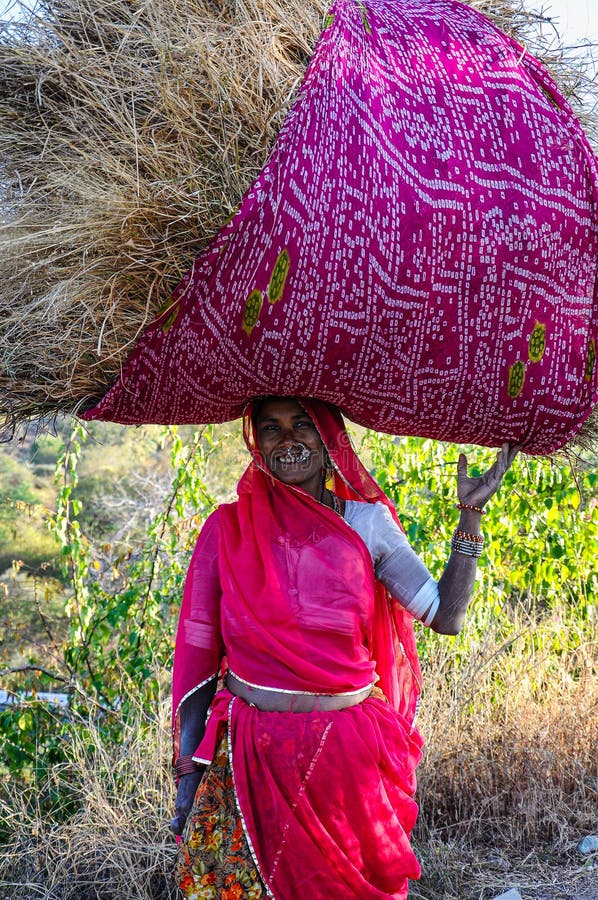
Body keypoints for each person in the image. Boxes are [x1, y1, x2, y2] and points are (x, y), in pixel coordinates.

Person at [170, 396, 517, 899]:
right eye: (271, 428)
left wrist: (470, 515)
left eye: (302, 425)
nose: (288, 440)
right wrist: (187, 774)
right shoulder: (228, 529)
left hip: (343, 760)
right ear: (256, 443)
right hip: (249, 760)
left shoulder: (366, 523)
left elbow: (446, 616)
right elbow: (199, 659)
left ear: (329, 438)